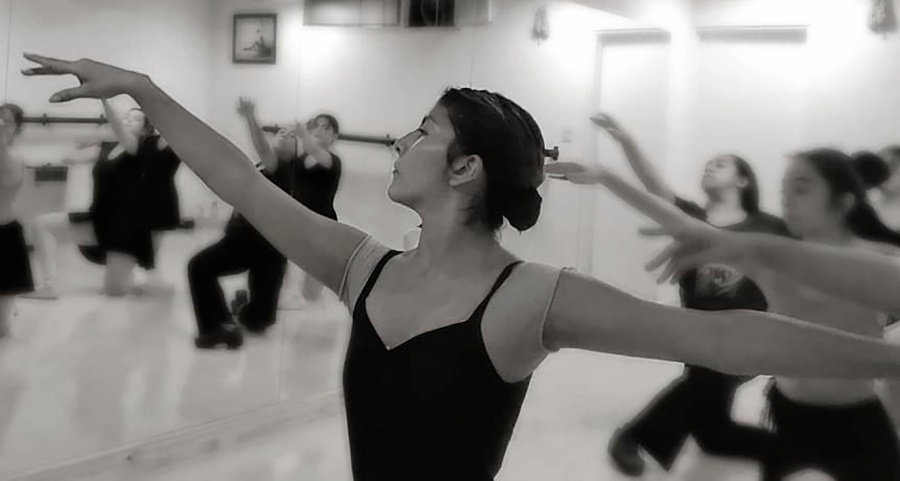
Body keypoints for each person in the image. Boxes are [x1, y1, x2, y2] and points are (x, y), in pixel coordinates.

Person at [22, 53, 900, 481]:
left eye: (423, 132)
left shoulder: (530, 298)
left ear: (465, 168)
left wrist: (893, 360)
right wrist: (144, 87)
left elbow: (724, 336)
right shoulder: (363, 266)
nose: (400, 142)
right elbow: (240, 184)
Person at [551, 148, 900, 480]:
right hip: (790, 417)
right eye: (784, 189)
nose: (787, 199)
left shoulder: (879, 258)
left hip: (859, 420)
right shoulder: (772, 255)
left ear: (843, 200)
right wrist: (605, 177)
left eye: (801, 187)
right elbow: (680, 221)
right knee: (716, 414)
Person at [589, 113, 789, 476]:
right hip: (696, 331)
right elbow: (652, 185)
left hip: (749, 332)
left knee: (712, 376)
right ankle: (793, 450)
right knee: (713, 429)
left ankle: (635, 437)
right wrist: (626, 141)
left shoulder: (769, 226)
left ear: (743, 180)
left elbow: (802, 267)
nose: (710, 168)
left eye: (721, 165)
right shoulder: (689, 216)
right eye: (707, 165)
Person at [188, 98, 338, 349]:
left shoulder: (285, 167)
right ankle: (230, 318)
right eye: (281, 132)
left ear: (299, 149)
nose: (283, 135)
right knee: (258, 319)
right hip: (266, 248)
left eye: (291, 136)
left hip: (255, 243)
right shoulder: (269, 166)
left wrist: (249, 117)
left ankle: (223, 323)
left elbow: (262, 147)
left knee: (199, 268)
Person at [28, 100, 158, 298]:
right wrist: (95, 141)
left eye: (136, 118)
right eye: (127, 117)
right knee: (41, 224)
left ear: (145, 130)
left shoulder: (140, 151)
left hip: (125, 230)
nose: (128, 119)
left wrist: (104, 98)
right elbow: (69, 157)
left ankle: (132, 267)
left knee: (115, 292)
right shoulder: (106, 148)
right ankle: (48, 285)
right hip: (99, 219)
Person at [0, 103, 34, 336]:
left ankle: (8, 309)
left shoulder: (14, 158)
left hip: (4, 237)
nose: (1, 125)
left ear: (17, 129)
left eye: (6, 122)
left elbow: (9, 179)